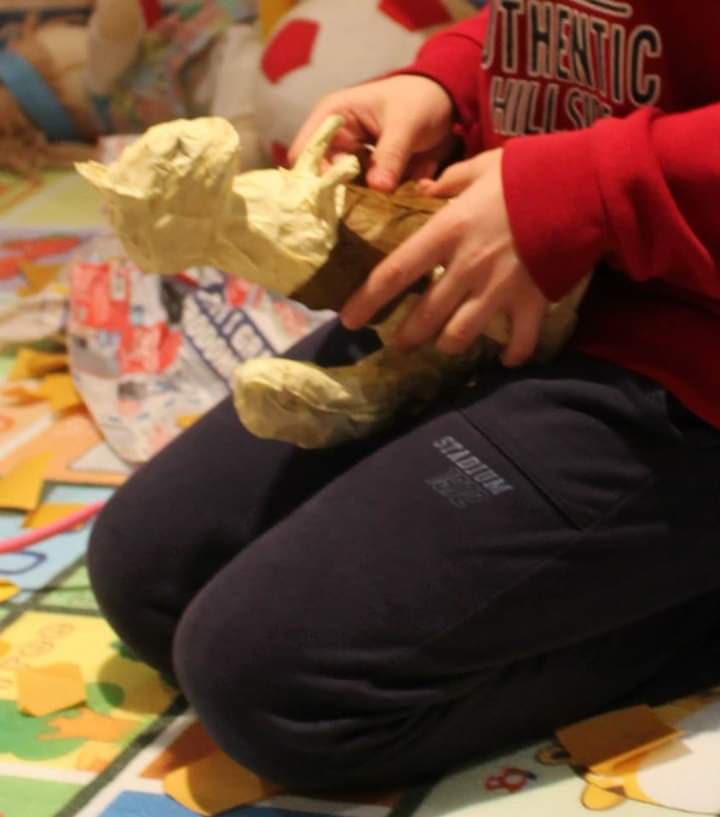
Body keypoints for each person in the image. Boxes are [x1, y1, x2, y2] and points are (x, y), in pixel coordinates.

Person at [88, 1, 720, 794]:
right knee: (150, 573)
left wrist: (585, 188)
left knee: (276, 686)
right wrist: (450, 83)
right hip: (494, 285)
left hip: (682, 356)